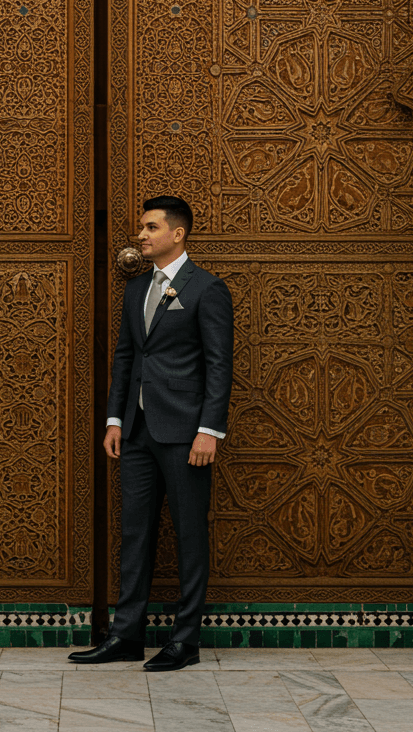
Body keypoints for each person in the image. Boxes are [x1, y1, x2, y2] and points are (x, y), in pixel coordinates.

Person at [69, 195, 233, 672]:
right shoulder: (135, 288)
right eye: (141, 228)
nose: (140, 235)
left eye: (149, 227)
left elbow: (219, 365)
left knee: (188, 535)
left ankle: (186, 641)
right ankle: (125, 635)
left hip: (186, 433)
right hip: (137, 432)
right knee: (135, 532)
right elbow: (126, 357)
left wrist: (209, 431)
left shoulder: (207, 289)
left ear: (176, 234)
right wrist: (115, 419)